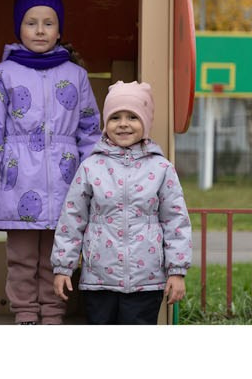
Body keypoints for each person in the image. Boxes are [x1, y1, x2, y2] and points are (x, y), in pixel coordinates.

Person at [0, 0, 101, 322]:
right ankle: (26, 314)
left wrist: (94, 178)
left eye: (48, 23)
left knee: (60, 257)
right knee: (22, 258)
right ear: (19, 28)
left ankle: (53, 314)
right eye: (31, 23)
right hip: (18, 180)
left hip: (65, 180)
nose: (40, 30)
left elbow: (89, 130)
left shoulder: (76, 75)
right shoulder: (2, 74)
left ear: (60, 30)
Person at [52, 80, 190, 324]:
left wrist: (177, 271)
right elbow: (72, 218)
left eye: (132, 117)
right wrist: (63, 266)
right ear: (106, 124)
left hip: (146, 281)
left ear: (145, 123)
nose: (124, 124)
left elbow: (175, 221)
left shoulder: (161, 168)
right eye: (115, 117)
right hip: (98, 280)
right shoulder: (91, 167)